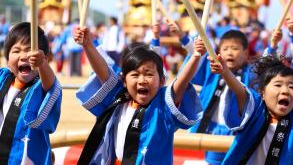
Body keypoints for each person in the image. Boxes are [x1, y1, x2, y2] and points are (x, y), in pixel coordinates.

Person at [73, 26, 205, 165]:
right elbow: (103, 71)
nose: (142, 80)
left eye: (149, 75)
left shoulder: (163, 105)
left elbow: (182, 82)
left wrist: (196, 56)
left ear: (161, 81)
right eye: (135, 75)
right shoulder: (119, 97)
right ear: (123, 80)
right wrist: (87, 44)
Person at [209, 54, 293, 165]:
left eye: (291, 87)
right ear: (262, 92)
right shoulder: (255, 109)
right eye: (278, 85)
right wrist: (226, 72)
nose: (285, 90)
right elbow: (240, 91)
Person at [0, 22, 62, 164]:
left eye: (30, 51)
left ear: (44, 57)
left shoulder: (41, 87)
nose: (23, 56)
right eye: (16, 51)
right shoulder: (3, 79)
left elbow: (51, 85)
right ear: (7, 58)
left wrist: (42, 65)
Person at [187, 30, 251, 165]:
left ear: (246, 53)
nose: (230, 52)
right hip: (214, 128)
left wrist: (274, 45)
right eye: (225, 48)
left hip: (239, 132)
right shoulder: (211, 71)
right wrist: (195, 49)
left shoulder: (250, 74)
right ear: (218, 52)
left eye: (235, 48)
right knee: (213, 162)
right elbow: (191, 72)